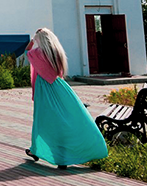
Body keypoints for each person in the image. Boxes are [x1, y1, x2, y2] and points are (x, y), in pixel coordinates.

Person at [24, 27, 108, 167]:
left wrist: (33, 39)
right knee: (63, 120)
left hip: (44, 90)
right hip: (59, 86)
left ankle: (39, 151)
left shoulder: (38, 53)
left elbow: (27, 51)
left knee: (42, 120)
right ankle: (54, 154)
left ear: (40, 40)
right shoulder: (57, 52)